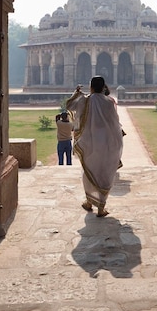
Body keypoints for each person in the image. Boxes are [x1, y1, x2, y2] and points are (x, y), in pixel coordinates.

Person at [66, 76, 123, 217]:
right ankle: (101, 207)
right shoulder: (109, 102)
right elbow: (115, 123)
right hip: (107, 143)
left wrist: (77, 93)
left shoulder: (84, 101)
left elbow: (69, 106)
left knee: (90, 171)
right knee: (105, 172)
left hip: (90, 142)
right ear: (103, 87)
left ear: (91, 86)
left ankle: (89, 202)